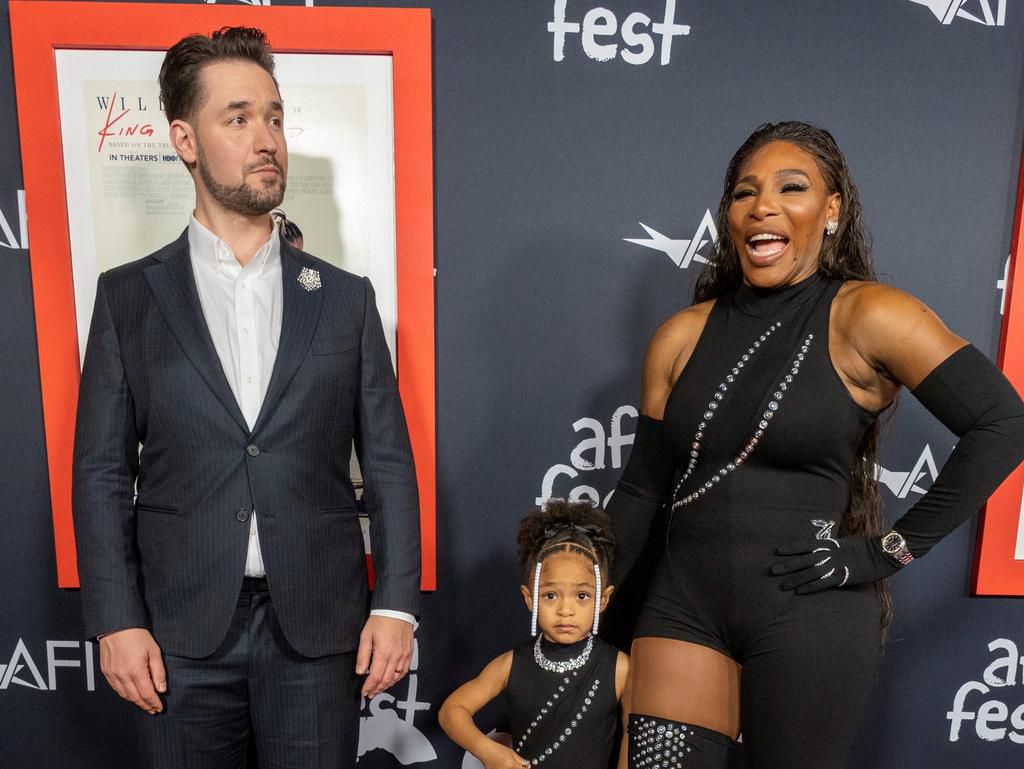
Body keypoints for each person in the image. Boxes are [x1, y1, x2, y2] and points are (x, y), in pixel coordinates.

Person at [605, 121, 1024, 769]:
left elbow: (1004, 422)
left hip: (810, 615)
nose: (762, 205)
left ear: (832, 210)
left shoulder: (871, 315)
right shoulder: (680, 336)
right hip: (681, 607)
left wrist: (889, 549)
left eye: (790, 187)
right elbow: (640, 487)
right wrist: (578, 567)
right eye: (744, 193)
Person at [71, 27, 421, 769]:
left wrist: (393, 605)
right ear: (184, 140)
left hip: (318, 631)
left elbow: (387, 462)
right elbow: (102, 472)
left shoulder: (346, 301)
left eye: (274, 117)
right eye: (238, 118)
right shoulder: (128, 297)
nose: (266, 139)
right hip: (178, 634)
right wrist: (115, 620)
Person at [439, 500, 630, 769]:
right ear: (530, 598)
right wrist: (487, 750)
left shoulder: (620, 668)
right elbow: (451, 710)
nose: (566, 610)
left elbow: (634, 739)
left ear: (603, 599)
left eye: (582, 596)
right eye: (550, 595)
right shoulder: (510, 664)